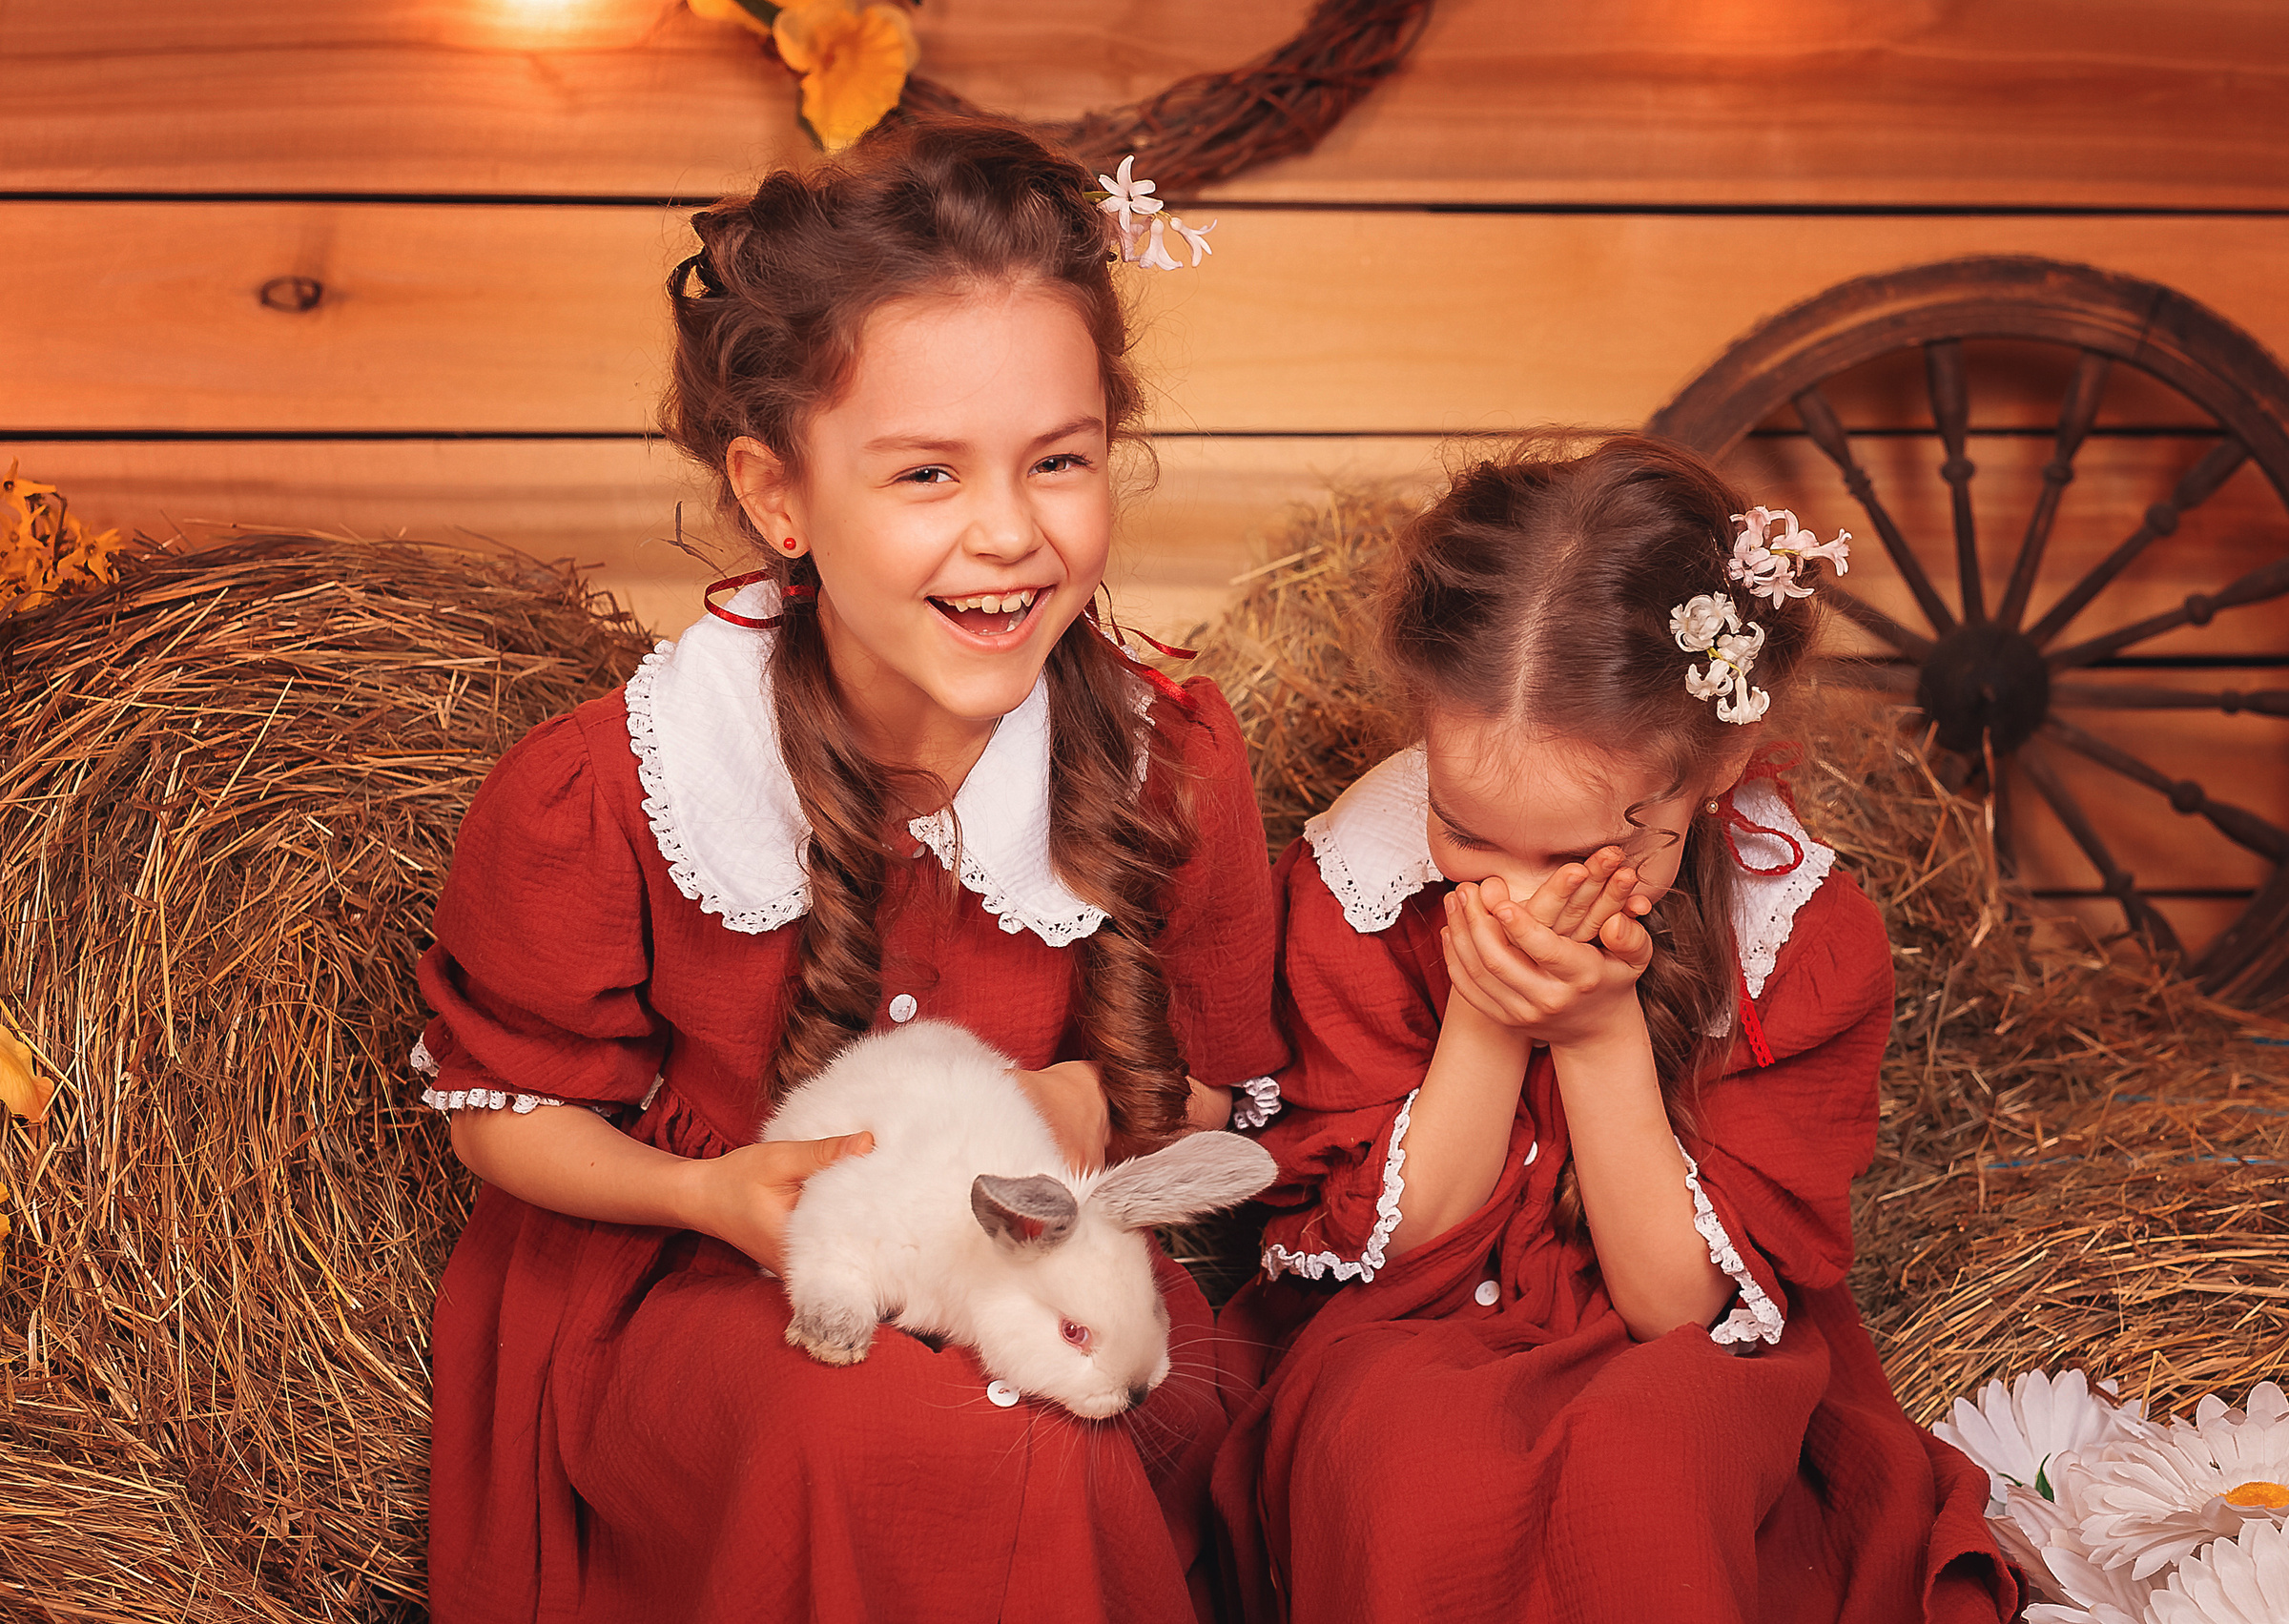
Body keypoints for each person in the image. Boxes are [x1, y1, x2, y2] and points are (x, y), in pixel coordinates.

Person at [409, 118, 1286, 1624]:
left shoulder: (1175, 766)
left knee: (1062, 1423)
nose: (1010, 530)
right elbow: (508, 1115)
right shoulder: (619, 784)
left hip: (1036, 1268)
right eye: (927, 471)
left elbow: (1211, 1081)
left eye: (1059, 460)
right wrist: (718, 1195)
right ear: (779, 494)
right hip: (706, 1283)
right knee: (890, 1430)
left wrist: (1076, 1107)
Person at [1211, 437, 2016, 1623]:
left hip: (1683, 1327)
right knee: (1406, 1462)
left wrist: (1594, 1034)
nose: (1524, 895)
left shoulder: (1801, 931)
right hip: (1408, 1314)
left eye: (1579, 850)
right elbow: (1385, 1253)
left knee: (1647, 1472)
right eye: (1468, 832)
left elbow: (1673, 1308)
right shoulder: (1353, 886)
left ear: (1720, 760)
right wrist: (1485, 1019)